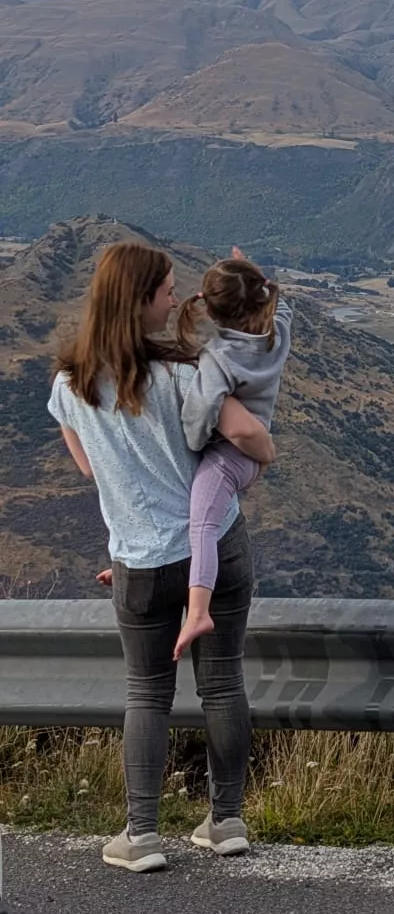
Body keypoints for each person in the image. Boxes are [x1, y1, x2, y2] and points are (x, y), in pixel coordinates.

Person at [48, 242, 275, 873]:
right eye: (167, 290)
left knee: (147, 694)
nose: (176, 297)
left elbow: (94, 471)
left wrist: (130, 525)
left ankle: (141, 834)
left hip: (141, 562)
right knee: (223, 681)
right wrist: (266, 453)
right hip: (216, 546)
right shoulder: (184, 374)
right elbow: (245, 433)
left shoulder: (70, 386)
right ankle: (226, 821)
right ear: (141, 302)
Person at [172, 253, 292, 663]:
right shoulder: (278, 333)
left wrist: (195, 443)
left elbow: (199, 415)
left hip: (227, 457)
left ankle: (199, 611)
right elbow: (284, 304)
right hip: (253, 453)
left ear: (211, 310)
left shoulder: (217, 358)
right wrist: (254, 273)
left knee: (201, 523)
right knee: (198, 518)